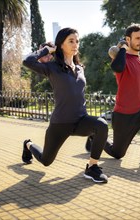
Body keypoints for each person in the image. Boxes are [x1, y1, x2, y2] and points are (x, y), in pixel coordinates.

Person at [22, 27, 108, 183]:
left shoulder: (80, 68)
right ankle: (28, 145)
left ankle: (92, 167)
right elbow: (27, 61)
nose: (75, 44)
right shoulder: (52, 68)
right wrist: (47, 50)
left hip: (81, 120)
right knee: (46, 160)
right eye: (71, 41)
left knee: (101, 125)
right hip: (60, 123)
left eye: (77, 41)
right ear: (61, 45)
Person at [86, 23, 140, 167]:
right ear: (128, 39)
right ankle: (94, 136)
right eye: (137, 38)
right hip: (123, 115)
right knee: (117, 153)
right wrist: (123, 50)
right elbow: (117, 67)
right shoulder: (121, 58)